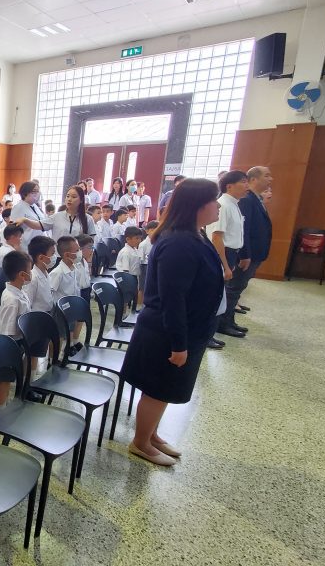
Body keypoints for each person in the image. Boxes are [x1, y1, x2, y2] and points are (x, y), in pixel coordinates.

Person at [118, 178, 224, 467]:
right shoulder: (179, 242)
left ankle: (151, 435)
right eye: (214, 201)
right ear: (198, 205)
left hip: (187, 328)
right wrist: (179, 344)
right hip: (167, 332)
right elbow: (172, 299)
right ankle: (141, 442)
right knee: (158, 388)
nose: (218, 206)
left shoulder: (194, 234)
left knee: (164, 388)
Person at [205, 171, 249, 340]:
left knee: (223, 295)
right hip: (223, 253)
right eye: (243, 182)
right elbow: (217, 237)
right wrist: (225, 265)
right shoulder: (223, 205)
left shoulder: (234, 204)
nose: (247, 186)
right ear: (229, 186)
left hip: (231, 253)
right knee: (214, 296)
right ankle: (208, 333)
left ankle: (225, 323)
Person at [232, 166, 273, 315]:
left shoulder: (256, 199)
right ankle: (225, 322)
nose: (271, 179)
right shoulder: (247, 200)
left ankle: (229, 319)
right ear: (254, 179)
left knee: (240, 286)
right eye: (267, 176)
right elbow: (244, 229)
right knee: (234, 287)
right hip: (247, 254)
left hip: (255, 253)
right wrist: (245, 254)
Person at [0, 251, 32, 407]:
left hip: (17, 340)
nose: (31, 273)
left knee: (10, 377)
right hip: (8, 344)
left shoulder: (19, 291)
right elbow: (8, 330)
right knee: (5, 379)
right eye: (30, 270)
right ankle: (0, 411)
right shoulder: (12, 299)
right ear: (22, 275)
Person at [9, 181, 52, 247]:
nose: (37, 194)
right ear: (25, 193)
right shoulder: (18, 207)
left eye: (38, 191)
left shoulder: (34, 206)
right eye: (34, 191)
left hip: (40, 243)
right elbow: (14, 229)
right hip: (27, 244)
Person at [25, 235, 56, 313]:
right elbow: (28, 305)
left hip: (49, 313)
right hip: (37, 316)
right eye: (52, 254)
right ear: (41, 258)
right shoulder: (32, 279)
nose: (54, 257)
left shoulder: (46, 273)